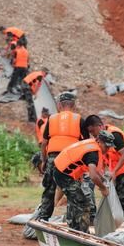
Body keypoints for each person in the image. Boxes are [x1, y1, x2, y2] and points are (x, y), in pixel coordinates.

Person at [38, 92, 88, 222]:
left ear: (59, 105)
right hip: (70, 160)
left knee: (49, 189)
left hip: (53, 158)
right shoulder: (79, 119)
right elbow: (86, 143)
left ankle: (43, 218)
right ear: (74, 105)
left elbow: (44, 143)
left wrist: (43, 161)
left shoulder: (52, 119)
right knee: (72, 189)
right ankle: (73, 221)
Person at [85, 115, 124, 226]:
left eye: (93, 131)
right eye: (90, 133)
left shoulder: (113, 135)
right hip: (120, 170)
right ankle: (123, 224)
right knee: (119, 196)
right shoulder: (100, 140)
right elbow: (106, 159)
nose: (93, 135)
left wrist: (114, 171)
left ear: (100, 126)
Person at [53, 136, 109, 232]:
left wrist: (103, 179)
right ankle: (82, 233)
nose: (107, 149)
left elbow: (95, 170)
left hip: (62, 171)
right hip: (64, 175)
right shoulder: (93, 153)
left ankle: (74, 229)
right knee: (83, 204)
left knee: (75, 201)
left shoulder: (92, 145)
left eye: (109, 147)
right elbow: (93, 176)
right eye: (106, 146)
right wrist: (103, 188)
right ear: (99, 141)